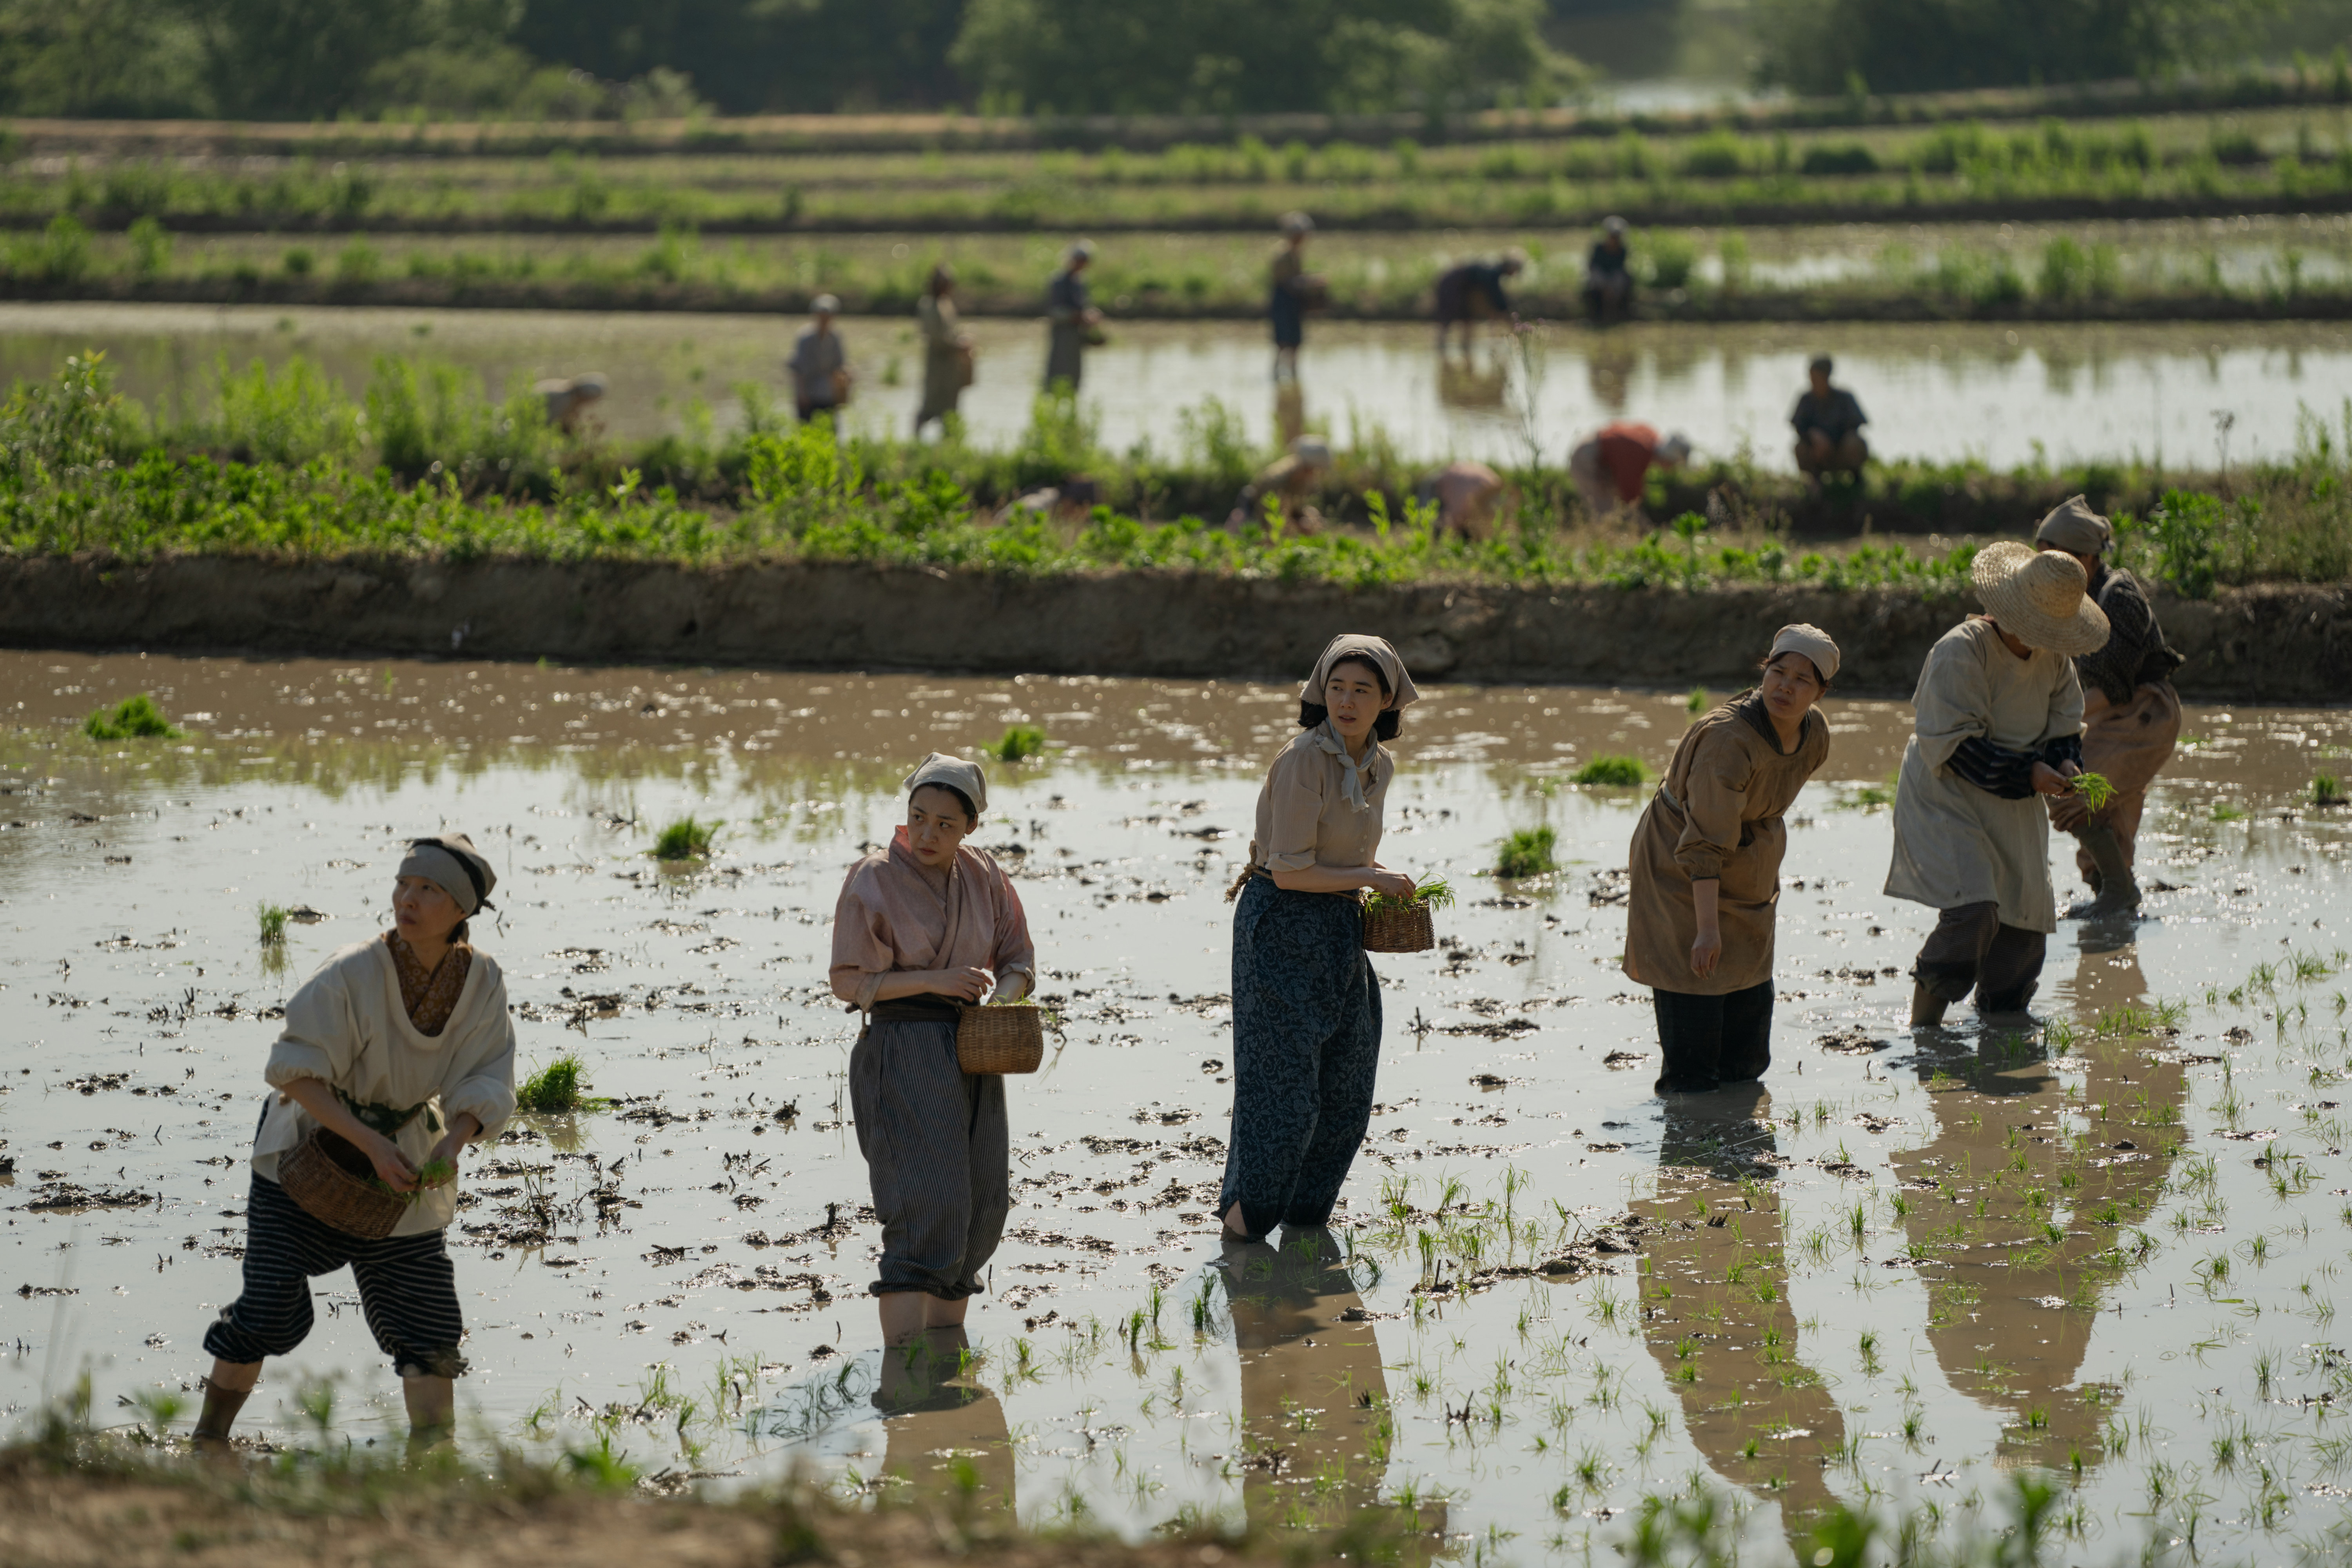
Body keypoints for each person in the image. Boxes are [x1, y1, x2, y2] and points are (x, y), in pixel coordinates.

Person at [191, 835, 516, 1452]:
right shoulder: (353, 969)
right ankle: (207, 1443)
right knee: (265, 1311)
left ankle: (433, 1465)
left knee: (428, 1328)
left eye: (429, 890)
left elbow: (487, 1073)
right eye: (404, 884)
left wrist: (454, 1142)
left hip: (403, 1162)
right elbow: (296, 1073)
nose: (408, 899)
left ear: (462, 912)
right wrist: (368, 1142)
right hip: (305, 1154)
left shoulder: (482, 982)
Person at [1220, 635, 1422, 1242]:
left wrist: (1371, 883)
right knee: (1283, 1101)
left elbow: (1352, 856)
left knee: (1346, 1092)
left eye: (1363, 690)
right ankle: (1244, 1240)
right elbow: (1289, 870)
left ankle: (1304, 1231)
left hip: (1338, 926)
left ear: (1387, 700)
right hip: (1280, 923)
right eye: (1337, 688)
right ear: (1321, 693)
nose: (1347, 701)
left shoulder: (1378, 765)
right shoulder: (1306, 759)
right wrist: (1372, 878)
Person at [830, 753, 1034, 1348]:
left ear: (971, 826)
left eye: (945, 823)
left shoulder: (985, 874)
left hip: (973, 1051)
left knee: (980, 1205)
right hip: (902, 1048)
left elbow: (1018, 959)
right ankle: (903, 1377)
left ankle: (944, 1362)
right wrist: (937, 981)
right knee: (926, 1205)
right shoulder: (872, 878)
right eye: (918, 816)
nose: (927, 834)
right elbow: (848, 981)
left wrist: (1001, 996)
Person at [1887, 543, 2106, 1025]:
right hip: (1947, 789)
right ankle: (1923, 1033)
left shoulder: (2053, 660)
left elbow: (2064, 728)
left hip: (2015, 791)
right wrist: (2030, 772)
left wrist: (2066, 767)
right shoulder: (1960, 652)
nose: (2038, 637)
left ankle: (2000, 1025)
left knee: (2025, 926)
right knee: (1975, 913)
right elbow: (1955, 745)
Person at [1623, 626, 1837, 1095]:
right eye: (1778, 672)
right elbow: (1703, 843)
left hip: (1749, 861)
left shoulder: (1814, 732)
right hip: (1683, 859)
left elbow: (1773, 794)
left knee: (1746, 1041)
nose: (1786, 686)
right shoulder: (1728, 741)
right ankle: (1686, 1136)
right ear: (1765, 670)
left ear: (1821, 692)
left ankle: (1736, 1127)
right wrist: (1706, 927)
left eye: (1803, 680)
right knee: (1694, 990)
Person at [2035, 495, 2185, 918]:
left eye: (2056, 559)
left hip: (2144, 712)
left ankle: (2120, 892)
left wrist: (2053, 725)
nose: (2048, 570)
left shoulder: (2118, 597)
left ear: (2086, 557)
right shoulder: (2071, 599)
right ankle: (2113, 900)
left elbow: (2116, 687)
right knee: (2108, 814)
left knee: (2071, 794)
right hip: (2110, 713)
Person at [1567, 421, 1691, 522]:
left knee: (1610, 507)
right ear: (1669, 459)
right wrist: (1643, 524)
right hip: (1587, 456)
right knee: (1604, 513)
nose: (1672, 469)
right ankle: (1599, 548)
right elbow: (1631, 499)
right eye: (1674, 465)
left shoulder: (1650, 437)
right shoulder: (1639, 454)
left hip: (1595, 449)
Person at [914, 264, 975, 438]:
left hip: (951, 367)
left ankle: (950, 445)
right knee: (930, 406)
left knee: (951, 408)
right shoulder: (928, 305)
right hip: (937, 366)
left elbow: (951, 332)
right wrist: (958, 345)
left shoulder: (946, 304)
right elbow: (936, 338)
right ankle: (916, 441)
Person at [1227, 435, 1330, 532]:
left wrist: (1303, 520)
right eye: (1314, 470)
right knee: (1243, 525)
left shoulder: (1305, 480)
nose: (1315, 475)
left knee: (1313, 516)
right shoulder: (1275, 480)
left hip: (1282, 511)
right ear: (1307, 468)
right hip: (1253, 505)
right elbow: (1266, 515)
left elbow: (1297, 507)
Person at [1790, 354, 1868, 482]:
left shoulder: (1845, 398)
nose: (1812, 380)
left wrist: (1831, 441)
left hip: (1840, 450)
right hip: (1816, 452)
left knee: (1855, 442)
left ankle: (1856, 480)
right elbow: (1798, 425)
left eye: (1817, 376)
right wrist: (1813, 436)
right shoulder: (1806, 399)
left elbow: (1857, 423)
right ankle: (1814, 480)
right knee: (1800, 447)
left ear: (1826, 376)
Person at [1433, 250, 1524, 356]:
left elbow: (1494, 297)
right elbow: (1496, 296)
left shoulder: (1494, 271)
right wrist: (1505, 312)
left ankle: (1465, 348)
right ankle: (1441, 347)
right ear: (1510, 267)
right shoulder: (1492, 273)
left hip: (1463, 289)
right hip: (1452, 286)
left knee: (1467, 318)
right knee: (1448, 316)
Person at [1269, 211, 1321, 383]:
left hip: (1294, 302)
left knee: (1296, 343)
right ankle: (1277, 375)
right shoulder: (1283, 255)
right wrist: (1310, 281)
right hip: (1284, 301)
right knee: (1283, 342)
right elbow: (1286, 281)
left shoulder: (1295, 254)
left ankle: (1293, 375)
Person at [1044, 240, 1102, 393]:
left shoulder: (1079, 283)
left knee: (1074, 373)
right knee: (1059, 370)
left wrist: (1091, 315)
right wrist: (1077, 316)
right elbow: (1054, 312)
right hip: (1063, 334)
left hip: (1076, 335)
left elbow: (1084, 306)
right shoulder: (1059, 282)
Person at [788, 295, 851, 425]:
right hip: (809, 393)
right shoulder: (805, 337)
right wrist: (802, 395)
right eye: (822, 315)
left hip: (828, 394)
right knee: (807, 430)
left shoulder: (835, 338)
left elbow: (839, 364)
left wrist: (847, 374)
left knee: (829, 430)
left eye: (828, 316)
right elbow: (798, 369)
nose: (825, 319)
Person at [1418, 459, 1504, 541]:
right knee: (1428, 519)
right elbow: (1450, 521)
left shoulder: (1495, 486)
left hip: (1458, 473)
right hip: (1438, 480)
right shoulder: (1465, 500)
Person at [1583, 215, 1635, 325]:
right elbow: (1593, 267)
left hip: (1614, 279)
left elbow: (1620, 269)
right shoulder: (1599, 249)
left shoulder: (1622, 251)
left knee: (1623, 280)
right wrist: (1605, 284)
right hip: (1600, 277)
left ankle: (1620, 311)